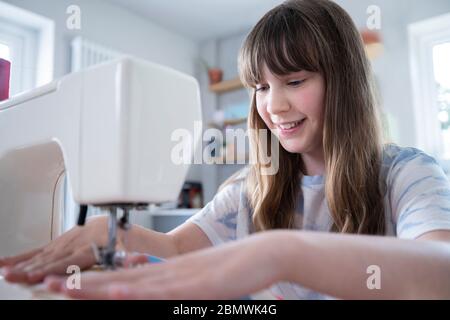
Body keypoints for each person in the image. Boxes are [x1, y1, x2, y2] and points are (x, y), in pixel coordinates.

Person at [1, 0, 450, 300]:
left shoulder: (406, 175)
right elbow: (176, 250)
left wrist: (281, 253)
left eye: (294, 81)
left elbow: (440, 269)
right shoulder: (250, 190)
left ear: (346, 83)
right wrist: (107, 232)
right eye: (261, 87)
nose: (273, 106)